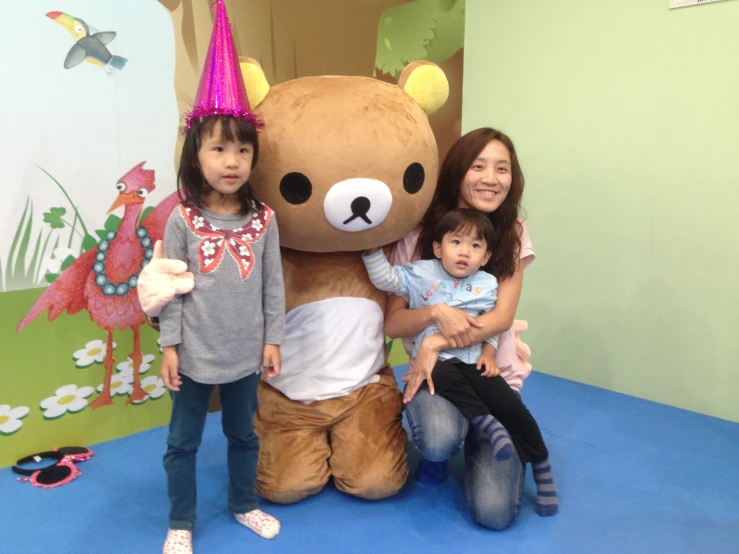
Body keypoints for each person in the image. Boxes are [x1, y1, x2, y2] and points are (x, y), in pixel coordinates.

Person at [157, 3, 285, 553]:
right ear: (197, 154)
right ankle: (181, 520)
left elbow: (273, 286)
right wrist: (169, 347)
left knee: (243, 434)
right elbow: (170, 288)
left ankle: (243, 503)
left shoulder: (264, 220)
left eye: (242, 148)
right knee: (182, 443)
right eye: (218, 147)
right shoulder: (182, 218)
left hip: (242, 357)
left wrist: (273, 339)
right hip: (192, 356)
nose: (231, 160)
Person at [387, 127, 556, 528]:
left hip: (489, 368)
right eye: (478, 166)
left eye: (502, 168)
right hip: (440, 375)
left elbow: (500, 318)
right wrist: (433, 316)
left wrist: (435, 343)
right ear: (459, 171)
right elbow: (394, 322)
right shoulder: (419, 234)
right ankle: (443, 451)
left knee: (495, 516)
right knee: (440, 438)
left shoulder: (511, 234)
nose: (491, 178)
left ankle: (499, 437)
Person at [364, 207, 557, 516]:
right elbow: (384, 277)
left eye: (476, 246)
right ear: (439, 248)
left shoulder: (487, 284)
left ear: (485, 256)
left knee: (512, 407)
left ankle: (542, 467)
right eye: (456, 243)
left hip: (475, 365)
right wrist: (370, 245)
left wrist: (490, 354)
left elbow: (491, 324)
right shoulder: (420, 273)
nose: (465, 252)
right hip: (438, 367)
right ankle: (484, 422)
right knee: (438, 370)